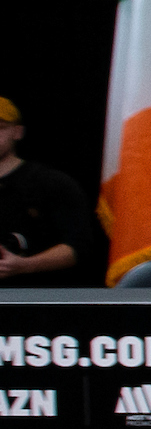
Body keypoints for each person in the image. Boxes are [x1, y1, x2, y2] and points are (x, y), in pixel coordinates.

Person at [0, 97, 103, 287]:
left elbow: (80, 247)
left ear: (18, 132)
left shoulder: (50, 184)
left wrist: (24, 265)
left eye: (0, 127)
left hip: (38, 302)